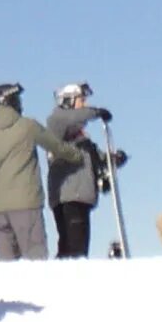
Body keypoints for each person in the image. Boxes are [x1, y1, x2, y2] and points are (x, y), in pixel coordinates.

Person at [0, 83, 82, 260]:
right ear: (10, 101)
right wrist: (79, 156)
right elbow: (57, 147)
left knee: (6, 267)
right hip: (27, 206)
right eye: (17, 99)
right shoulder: (27, 126)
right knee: (35, 261)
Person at [46, 81, 113, 259]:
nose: (85, 104)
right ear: (69, 101)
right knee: (72, 249)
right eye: (81, 100)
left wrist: (113, 158)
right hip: (68, 196)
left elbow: (97, 157)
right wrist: (96, 112)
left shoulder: (82, 140)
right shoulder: (57, 122)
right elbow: (71, 118)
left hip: (81, 196)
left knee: (79, 248)